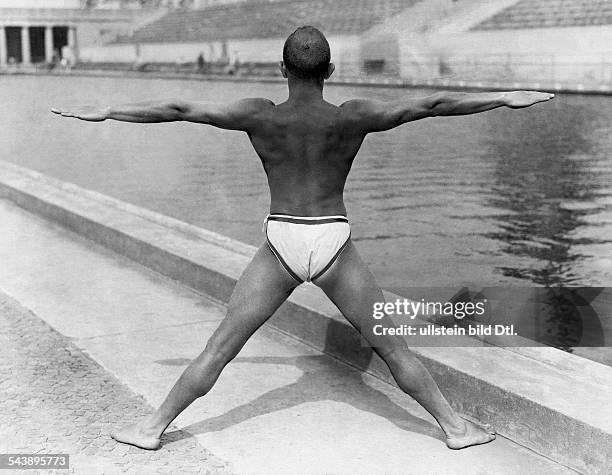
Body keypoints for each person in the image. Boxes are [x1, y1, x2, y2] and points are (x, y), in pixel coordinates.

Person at [52, 26, 554, 452]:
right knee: (393, 349)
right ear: (330, 71)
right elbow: (433, 104)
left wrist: (110, 111)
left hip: (282, 242)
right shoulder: (351, 116)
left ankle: (149, 427)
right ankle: (456, 428)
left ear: (282, 69)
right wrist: (504, 98)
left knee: (220, 348)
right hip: (333, 242)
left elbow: (179, 107)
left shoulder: (259, 114)